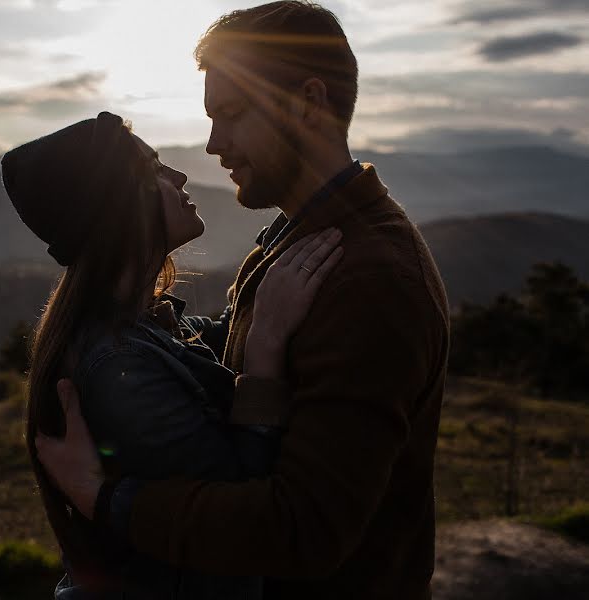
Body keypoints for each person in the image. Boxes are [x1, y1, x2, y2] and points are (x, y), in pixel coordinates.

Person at [35, 2, 451, 599]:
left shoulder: (371, 277)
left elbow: (301, 532)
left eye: (230, 115)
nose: (211, 144)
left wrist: (105, 498)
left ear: (309, 100)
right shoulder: (298, 234)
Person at [0, 111, 343, 598]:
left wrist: (291, 224)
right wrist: (265, 348)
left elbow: (217, 340)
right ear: (120, 205)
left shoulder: (147, 324)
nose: (179, 175)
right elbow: (241, 507)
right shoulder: (120, 365)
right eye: (156, 169)